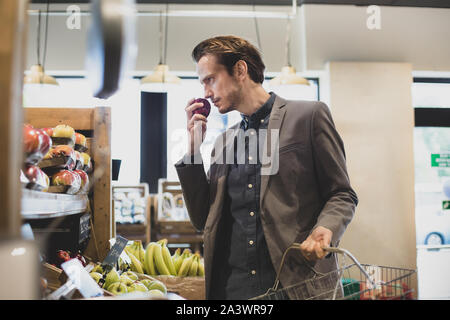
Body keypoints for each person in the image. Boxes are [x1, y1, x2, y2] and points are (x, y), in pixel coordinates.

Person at [175, 35, 358, 300]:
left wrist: (326, 227)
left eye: (210, 79)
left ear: (240, 70)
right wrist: (193, 151)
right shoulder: (223, 142)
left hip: (295, 286)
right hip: (233, 290)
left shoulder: (308, 117)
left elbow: (342, 193)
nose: (206, 93)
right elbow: (203, 220)